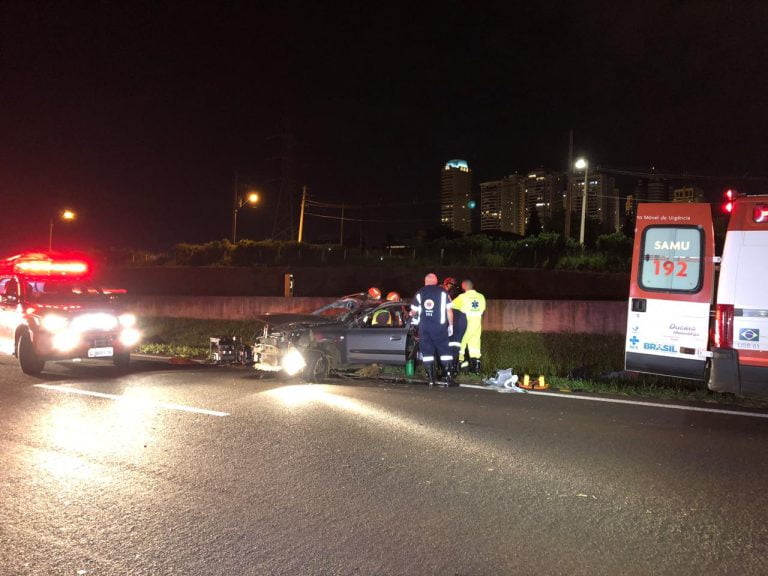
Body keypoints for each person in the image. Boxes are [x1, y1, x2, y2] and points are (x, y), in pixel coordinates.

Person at [411, 273, 455, 386]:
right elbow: (449, 310)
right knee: (445, 352)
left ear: (426, 281)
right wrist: (450, 325)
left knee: (427, 353)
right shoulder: (443, 292)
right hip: (440, 327)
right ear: (435, 281)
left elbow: (414, 312)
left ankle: (430, 379)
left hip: (424, 328)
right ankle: (448, 377)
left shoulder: (420, 292)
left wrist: (413, 314)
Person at [452, 279, 486, 374]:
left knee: (461, 344)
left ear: (463, 287)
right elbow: (482, 310)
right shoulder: (481, 297)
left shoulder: (462, 297)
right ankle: (476, 369)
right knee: (475, 346)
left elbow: (450, 306)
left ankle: (457, 367)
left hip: (466, 324)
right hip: (477, 325)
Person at [442, 277, 466, 372]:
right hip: (459, 321)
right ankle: (454, 368)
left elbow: (449, 308)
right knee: (455, 345)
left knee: (452, 345)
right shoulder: (459, 294)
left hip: (453, 320)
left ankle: (450, 368)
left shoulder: (448, 294)